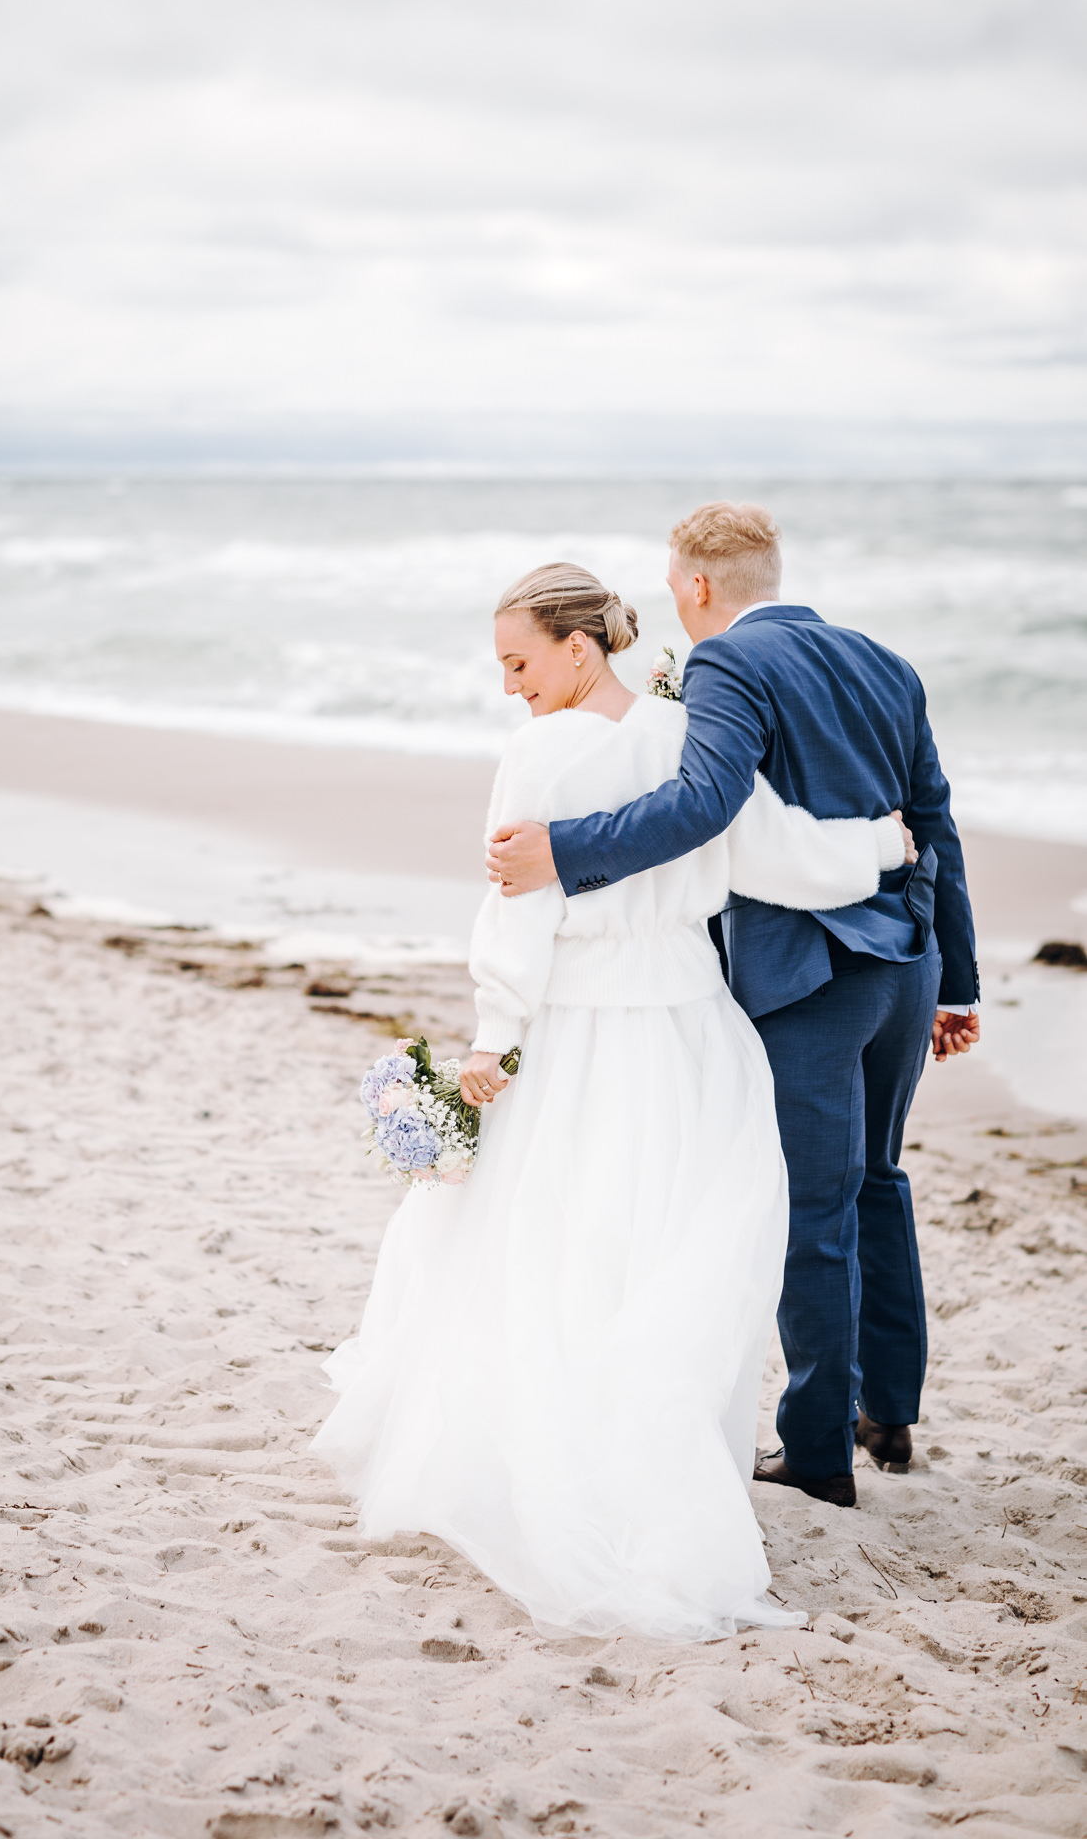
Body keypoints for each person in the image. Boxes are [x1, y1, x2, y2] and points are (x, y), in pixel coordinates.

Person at [315, 563, 913, 1642]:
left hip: (586, 1028)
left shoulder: (541, 751)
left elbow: (515, 903)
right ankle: (665, 1476)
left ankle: (566, 1470)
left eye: (519, 661)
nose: (510, 687)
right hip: (691, 1031)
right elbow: (770, 852)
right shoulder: (689, 734)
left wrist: (494, 1036)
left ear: (578, 646)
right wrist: (880, 842)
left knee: (553, 1248)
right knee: (659, 1257)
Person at [487, 507, 979, 1512]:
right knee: (878, 1179)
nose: (672, 600)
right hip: (909, 962)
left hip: (815, 972)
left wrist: (563, 849)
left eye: (673, 585)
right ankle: (888, 1410)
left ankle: (817, 1452)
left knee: (814, 1202)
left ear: (699, 587)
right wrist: (958, 976)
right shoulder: (886, 660)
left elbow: (707, 805)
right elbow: (933, 822)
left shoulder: (724, 667)